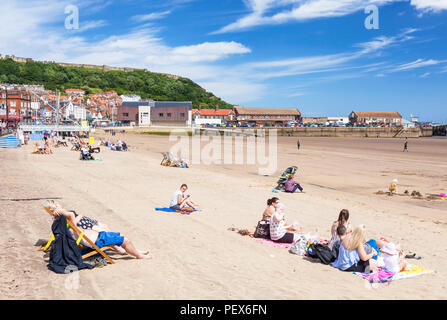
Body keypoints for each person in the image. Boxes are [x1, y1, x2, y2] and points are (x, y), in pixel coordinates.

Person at [47, 201, 151, 259]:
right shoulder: (70, 225)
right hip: (98, 240)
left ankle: (137, 251)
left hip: (98, 237)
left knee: (121, 237)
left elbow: (69, 217)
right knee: (125, 240)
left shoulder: (63, 226)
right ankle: (138, 255)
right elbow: (71, 215)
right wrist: (63, 212)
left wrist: (57, 214)